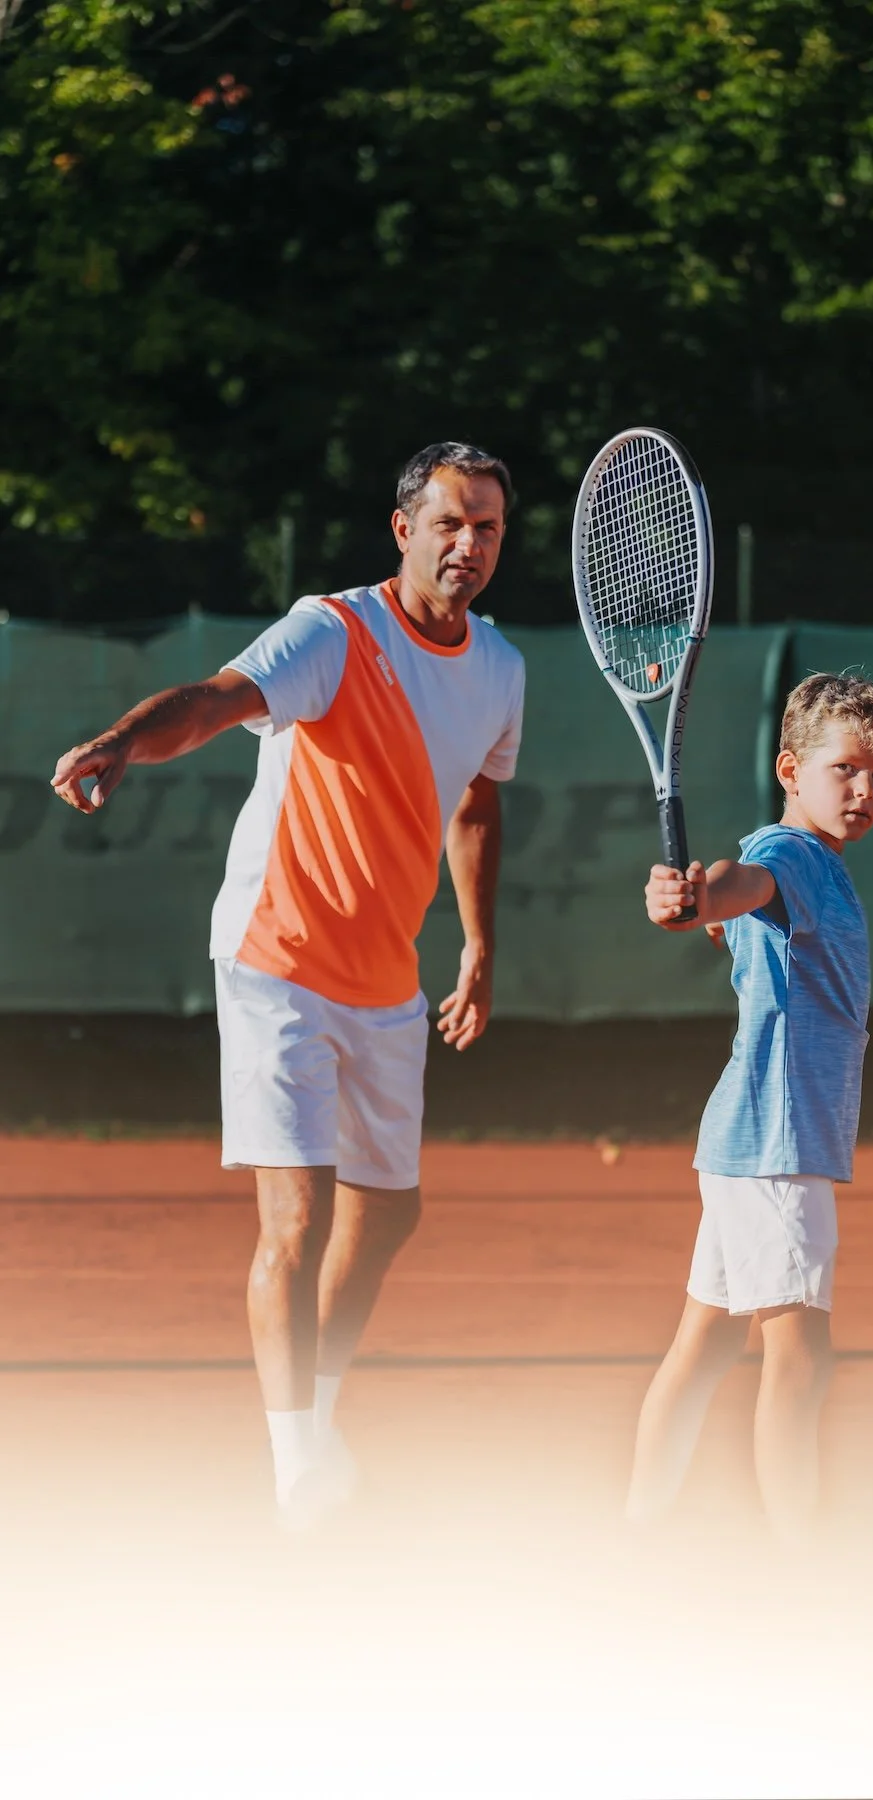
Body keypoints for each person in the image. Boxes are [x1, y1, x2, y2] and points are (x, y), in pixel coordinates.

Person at [51, 442, 525, 1523]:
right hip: (276, 962)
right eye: (450, 522)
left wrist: (481, 947)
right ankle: (296, 1463)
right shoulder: (334, 630)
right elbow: (219, 699)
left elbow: (478, 805)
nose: (469, 545)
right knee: (297, 1222)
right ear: (402, 530)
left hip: (384, 978)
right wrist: (126, 739)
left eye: (488, 527)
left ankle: (315, 1412)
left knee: (391, 1215)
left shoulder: (500, 667)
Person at [627, 672, 873, 1545]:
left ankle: (637, 1532)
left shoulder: (819, 867)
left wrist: (707, 908)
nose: (864, 791)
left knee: (708, 1345)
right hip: (776, 1148)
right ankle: (803, 1558)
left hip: (747, 1145)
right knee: (801, 1357)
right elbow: (739, 880)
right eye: (846, 771)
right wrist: (698, 897)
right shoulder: (791, 855)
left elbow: (738, 908)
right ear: (792, 769)